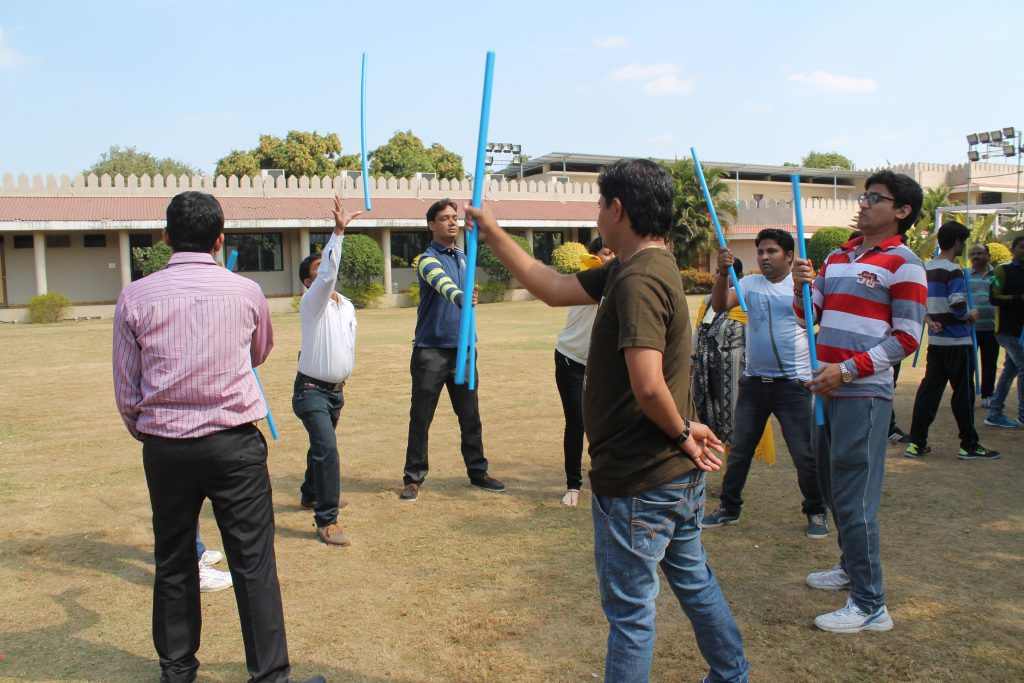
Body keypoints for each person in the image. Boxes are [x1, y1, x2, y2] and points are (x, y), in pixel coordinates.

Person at [465, 159, 749, 682]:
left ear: (618, 208)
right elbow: (551, 286)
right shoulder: (634, 267)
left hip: (641, 476)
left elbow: (647, 383)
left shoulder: (638, 278)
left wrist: (684, 433)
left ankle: (732, 673)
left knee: (631, 613)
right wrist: (494, 234)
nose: (597, 214)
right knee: (694, 580)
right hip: (669, 477)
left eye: (599, 204)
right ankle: (732, 673)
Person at [113, 191, 325, 683]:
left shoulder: (136, 295)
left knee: (172, 560)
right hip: (233, 443)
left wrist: (150, 433)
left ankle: (177, 671)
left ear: (165, 238)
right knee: (253, 562)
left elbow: (128, 389)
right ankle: (270, 675)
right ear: (220, 238)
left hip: (165, 445)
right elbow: (258, 352)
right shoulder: (245, 292)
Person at [792, 170, 927, 634]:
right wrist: (800, 286)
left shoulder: (904, 262)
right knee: (831, 487)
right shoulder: (839, 254)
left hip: (862, 392)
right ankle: (851, 567)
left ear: (902, 211)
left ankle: (871, 604)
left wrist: (847, 369)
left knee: (854, 497)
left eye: (876, 197)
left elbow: (908, 337)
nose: (864, 203)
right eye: (864, 195)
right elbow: (811, 312)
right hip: (825, 387)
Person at [702, 229, 829, 537]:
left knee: (803, 453)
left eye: (771, 251)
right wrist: (722, 274)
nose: (763, 257)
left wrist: (805, 285)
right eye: (760, 252)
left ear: (788, 256)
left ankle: (816, 511)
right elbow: (719, 306)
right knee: (741, 448)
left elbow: (814, 318)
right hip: (755, 383)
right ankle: (729, 508)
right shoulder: (750, 284)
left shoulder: (801, 286)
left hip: (793, 385)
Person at [400, 198, 504, 502]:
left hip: (464, 349)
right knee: (421, 418)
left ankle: (478, 471)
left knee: (470, 416)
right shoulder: (426, 259)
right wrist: (460, 296)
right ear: (431, 224)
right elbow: (442, 283)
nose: (452, 222)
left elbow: (464, 288)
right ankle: (413, 477)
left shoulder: (463, 256)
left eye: (454, 217)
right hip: (431, 351)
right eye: (444, 218)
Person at [293, 196, 361, 545]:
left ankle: (310, 493)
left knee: (321, 447)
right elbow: (328, 276)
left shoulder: (346, 305)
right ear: (309, 282)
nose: (325, 273)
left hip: (335, 392)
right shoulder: (312, 302)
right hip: (311, 391)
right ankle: (327, 519)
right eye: (317, 270)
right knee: (327, 449)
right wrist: (338, 231)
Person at [904, 222, 999, 460]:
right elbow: (957, 303)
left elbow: (920, 302)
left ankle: (916, 443)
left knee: (928, 392)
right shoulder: (953, 270)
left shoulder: (925, 269)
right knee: (963, 394)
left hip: (936, 342)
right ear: (957, 242)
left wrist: (928, 319)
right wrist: (970, 315)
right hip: (957, 341)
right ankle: (968, 444)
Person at [554, 236, 614, 508]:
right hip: (570, 359)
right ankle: (573, 486)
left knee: (604, 422)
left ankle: (609, 478)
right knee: (577, 422)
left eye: (615, 253)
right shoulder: (589, 278)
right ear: (594, 257)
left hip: (599, 363)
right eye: (605, 253)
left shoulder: (619, 280)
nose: (610, 258)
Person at [984, 235, 1024, 428]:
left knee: (1011, 369)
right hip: (1006, 329)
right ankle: (1022, 414)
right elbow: (994, 297)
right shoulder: (1002, 270)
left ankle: (995, 411)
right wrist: (1018, 298)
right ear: (1014, 248)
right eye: (1022, 247)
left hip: (1021, 331)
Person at [967, 243, 1000, 407]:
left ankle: (987, 395)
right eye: (973, 253)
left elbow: (1000, 294)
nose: (976, 256)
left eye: (980, 253)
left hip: (991, 328)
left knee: (989, 363)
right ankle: (969, 395)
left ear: (987, 255)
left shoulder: (996, 275)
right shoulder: (966, 275)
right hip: (971, 329)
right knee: (969, 364)